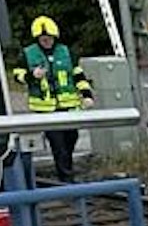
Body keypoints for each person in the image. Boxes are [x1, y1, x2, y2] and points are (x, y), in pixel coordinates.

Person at [21, 16, 95, 180]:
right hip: (46, 109)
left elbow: (78, 75)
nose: (46, 41)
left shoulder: (66, 52)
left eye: (49, 38)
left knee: (71, 137)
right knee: (58, 143)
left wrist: (87, 95)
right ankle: (66, 178)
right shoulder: (29, 53)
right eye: (43, 39)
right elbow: (17, 75)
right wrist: (31, 75)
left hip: (68, 107)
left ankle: (65, 168)